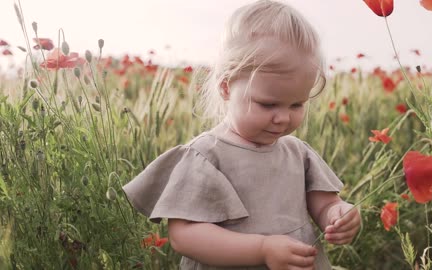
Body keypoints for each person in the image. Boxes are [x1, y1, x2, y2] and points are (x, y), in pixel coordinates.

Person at [123, 0, 361, 269]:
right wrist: (261, 250)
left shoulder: (298, 153)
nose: (283, 117)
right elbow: (184, 236)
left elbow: (324, 202)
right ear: (226, 87)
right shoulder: (206, 156)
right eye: (268, 104)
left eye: (297, 104)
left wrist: (338, 214)